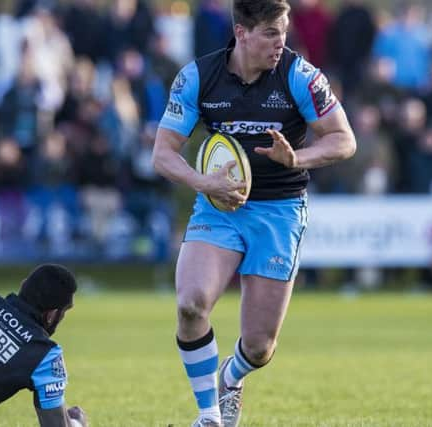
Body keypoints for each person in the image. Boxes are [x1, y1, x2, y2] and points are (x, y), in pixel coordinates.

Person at [152, 1, 356, 426]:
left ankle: (232, 376)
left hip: (279, 210)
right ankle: (209, 415)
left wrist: (296, 158)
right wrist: (202, 183)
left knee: (260, 346)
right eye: (269, 33)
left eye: (283, 32)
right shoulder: (197, 77)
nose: (280, 42)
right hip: (219, 206)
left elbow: (343, 140)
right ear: (241, 33)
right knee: (191, 304)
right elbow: (162, 153)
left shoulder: (300, 76)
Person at [0, 264, 87, 427]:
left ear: (23, 284)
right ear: (52, 315)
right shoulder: (44, 355)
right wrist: (77, 423)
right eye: (64, 312)